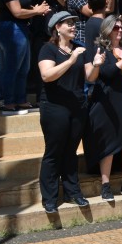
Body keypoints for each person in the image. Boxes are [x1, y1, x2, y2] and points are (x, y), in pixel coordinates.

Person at [85, 16, 122, 200]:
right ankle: (106, 185)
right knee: (109, 144)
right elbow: (108, 72)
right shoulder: (101, 49)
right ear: (107, 29)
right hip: (107, 102)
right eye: (116, 27)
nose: (120, 30)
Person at [37, 12, 89, 213]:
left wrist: (97, 64)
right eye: (68, 23)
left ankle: (72, 192)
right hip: (54, 107)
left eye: (74, 24)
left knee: (71, 152)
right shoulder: (48, 49)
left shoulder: (78, 50)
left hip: (77, 107)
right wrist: (70, 60)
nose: (73, 26)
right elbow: (47, 75)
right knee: (54, 152)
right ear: (57, 28)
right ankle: (49, 198)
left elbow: (89, 75)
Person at [0, 0, 50, 115]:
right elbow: (16, 12)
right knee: (12, 68)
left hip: (20, 29)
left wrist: (34, 8)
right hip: (12, 29)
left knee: (23, 68)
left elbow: (27, 1)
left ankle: (20, 100)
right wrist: (36, 11)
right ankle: (9, 102)